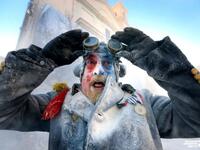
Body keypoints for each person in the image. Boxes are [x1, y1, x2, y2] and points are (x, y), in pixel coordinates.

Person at [0, 27, 200, 150]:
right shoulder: (57, 104)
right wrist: (42, 61)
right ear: (80, 72)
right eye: (91, 63)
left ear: (117, 72)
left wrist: (159, 62)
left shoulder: (146, 103)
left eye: (106, 64)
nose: (98, 71)